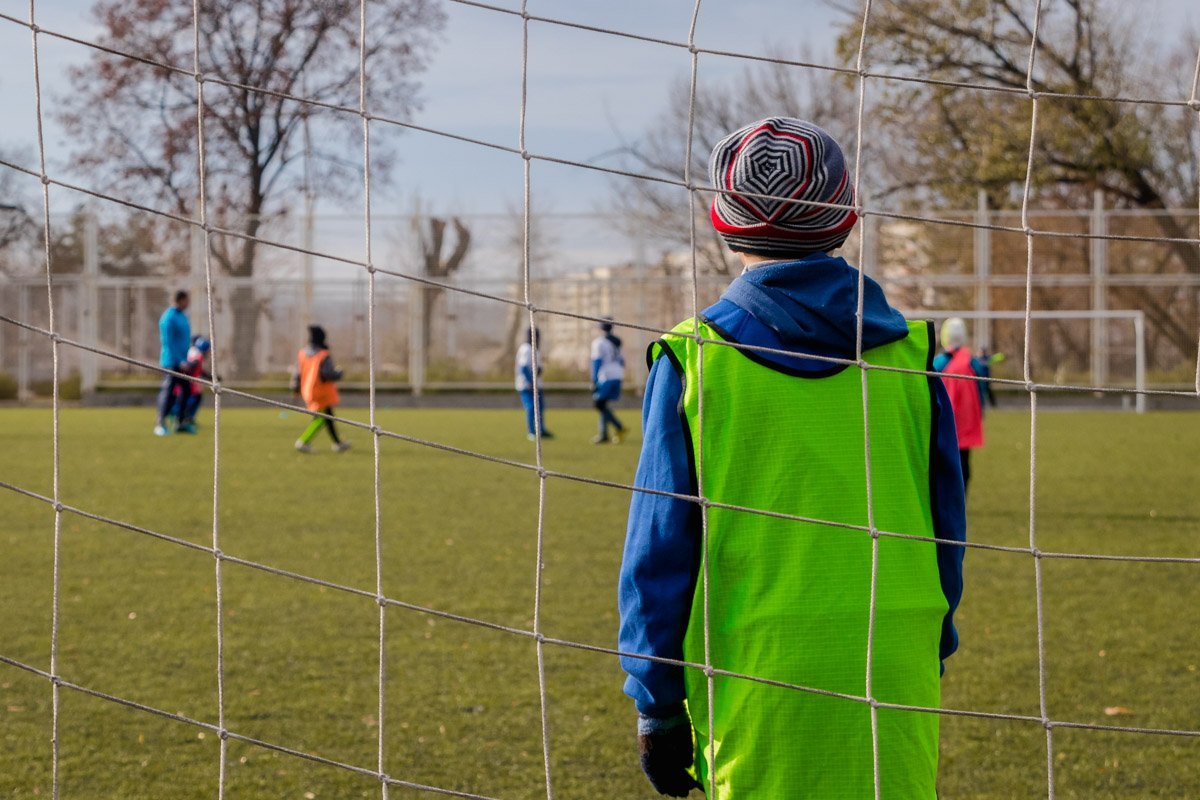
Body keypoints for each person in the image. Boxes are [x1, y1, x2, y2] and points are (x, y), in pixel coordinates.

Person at [617, 118, 967, 799]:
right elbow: (945, 529)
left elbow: (657, 550)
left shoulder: (694, 360)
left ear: (720, 222)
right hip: (893, 653)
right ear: (850, 213)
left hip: (758, 662)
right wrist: (934, 641)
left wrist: (655, 701)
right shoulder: (913, 357)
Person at [933, 317, 990, 491]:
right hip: (965, 425)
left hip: (943, 424)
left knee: (940, 466)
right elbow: (982, 389)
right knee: (963, 467)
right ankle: (960, 500)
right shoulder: (973, 363)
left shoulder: (937, 363)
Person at [291, 325, 350, 454]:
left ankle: (338, 443)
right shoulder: (323, 355)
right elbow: (328, 374)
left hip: (308, 390)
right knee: (322, 418)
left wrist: (295, 388)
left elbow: (297, 373)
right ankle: (303, 441)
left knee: (327, 416)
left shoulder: (302, 353)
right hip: (322, 392)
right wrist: (339, 373)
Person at [154, 290, 191, 436]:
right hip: (171, 361)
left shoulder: (182, 316)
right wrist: (179, 360)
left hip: (183, 361)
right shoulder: (168, 317)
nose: (189, 303)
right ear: (180, 300)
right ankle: (160, 423)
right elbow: (168, 342)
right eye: (187, 300)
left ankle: (180, 422)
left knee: (186, 390)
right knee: (169, 391)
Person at [590, 317, 627, 444]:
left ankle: (619, 427)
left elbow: (596, 362)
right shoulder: (617, 342)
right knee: (603, 404)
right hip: (618, 375)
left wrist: (593, 380)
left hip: (606, 376)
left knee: (598, 404)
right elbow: (622, 361)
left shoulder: (599, 342)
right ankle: (604, 434)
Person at [515, 326, 553, 441]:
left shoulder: (535, 350)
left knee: (540, 408)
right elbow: (523, 367)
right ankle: (531, 431)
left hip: (537, 384)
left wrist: (539, 370)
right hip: (527, 385)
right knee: (531, 407)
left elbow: (537, 367)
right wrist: (531, 381)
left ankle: (541, 429)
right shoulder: (526, 349)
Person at [172, 334, 211, 434]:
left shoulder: (196, 354)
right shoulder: (197, 355)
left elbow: (199, 369)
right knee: (190, 401)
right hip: (190, 382)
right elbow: (192, 366)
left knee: (194, 399)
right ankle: (185, 419)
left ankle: (187, 418)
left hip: (192, 382)